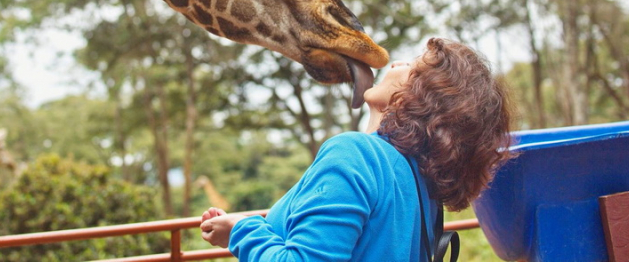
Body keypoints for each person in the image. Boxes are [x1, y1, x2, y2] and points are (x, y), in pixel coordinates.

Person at [199, 37, 514, 261]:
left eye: (412, 66)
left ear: (420, 98)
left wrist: (242, 231)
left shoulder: (355, 156)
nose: (396, 62)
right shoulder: (420, 189)